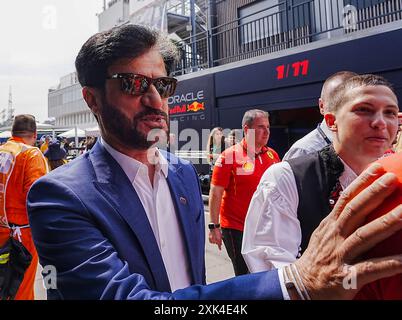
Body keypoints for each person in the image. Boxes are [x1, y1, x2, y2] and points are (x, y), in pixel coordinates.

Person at [26, 25, 402, 300]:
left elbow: (195, 287)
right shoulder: (59, 196)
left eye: (163, 85)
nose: (155, 99)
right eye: (133, 83)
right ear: (92, 99)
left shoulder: (182, 175)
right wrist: (294, 281)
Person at [242, 74, 400, 273]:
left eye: (390, 113)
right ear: (331, 121)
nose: (380, 122)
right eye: (364, 110)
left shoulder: (395, 174)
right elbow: (274, 273)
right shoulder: (287, 177)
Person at [208, 109, 280, 275]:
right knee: (244, 275)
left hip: (266, 228)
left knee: (267, 271)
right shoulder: (229, 156)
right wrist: (214, 227)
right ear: (247, 130)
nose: (267, 131)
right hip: (237, 228)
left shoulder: (272, 155)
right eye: (261, 127)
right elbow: (216, 192)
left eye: (268, 127)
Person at [0, 114, 48, 299]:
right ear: (35, 134)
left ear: (13, 132)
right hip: (21, 236)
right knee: (20, 289)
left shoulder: (3, 150)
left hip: (4, 231)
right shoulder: (31, 154)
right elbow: (38, 197)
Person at [283, 71, 357, 161]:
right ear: (322, 106)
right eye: (337, 102)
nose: (345, 108)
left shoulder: (369, 145)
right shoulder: (304, 152)